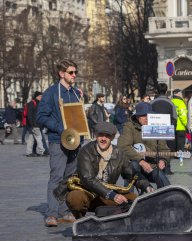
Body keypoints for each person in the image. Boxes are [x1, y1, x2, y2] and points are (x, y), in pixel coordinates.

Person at [54, 122, 154, 219]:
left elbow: (132, 174)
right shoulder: (85, 151)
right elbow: (87, 178)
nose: (103, 138)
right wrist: (112, 195)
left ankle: (113, 222)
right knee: (75, 199)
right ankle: (81, 221)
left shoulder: (119, 153)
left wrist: (147, 186)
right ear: (95, 136)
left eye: (107, 136)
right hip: (85, 192)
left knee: (135, 201)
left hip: (105, 195)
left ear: (112, 137)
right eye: (100, 135)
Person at [37, 59, 82, 227]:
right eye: (71, 72)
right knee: (56, 176)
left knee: (69, 178)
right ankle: (52, 213)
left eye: (75, 72)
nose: (74, 75)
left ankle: (65, 210)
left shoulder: (76, 92)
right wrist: (60, 128)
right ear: (61, 74)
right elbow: (41, 116)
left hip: (75, 141)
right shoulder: (51, 93)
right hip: (58, 140)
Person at [118, 102, 171, 188]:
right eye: (143, 115)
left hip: (152, 166)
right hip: (134, 164)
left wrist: (163, 160)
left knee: (160, 175)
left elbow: (164, 149)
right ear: (137, 116)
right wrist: (141, 161)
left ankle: (168, 195)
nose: (147, 118)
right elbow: (123, 146)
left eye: (149, 115)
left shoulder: (156, 126)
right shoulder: (129, 126)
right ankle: (129, 197)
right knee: (132, 167)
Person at [151, 83, 177, 175]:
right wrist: (173, 129)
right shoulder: (170, 103)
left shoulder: (152, 103)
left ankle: (156, 166)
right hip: (167, 129)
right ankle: (167, 168)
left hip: (153, 129)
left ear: (157, 91)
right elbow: (174, 117)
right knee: (167, 149)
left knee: (156, 148)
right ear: (166, 91)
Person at [25, 91, 47, 157]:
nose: (41, 97)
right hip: (35, 125)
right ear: (37, 96)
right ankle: (41, 152)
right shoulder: (32, 103)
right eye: (40, 96)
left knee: (31, 140)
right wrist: (32, 125)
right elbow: (29, 115)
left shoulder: (38, 103)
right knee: (39, 138)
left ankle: (28, 152)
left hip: (35, 125)